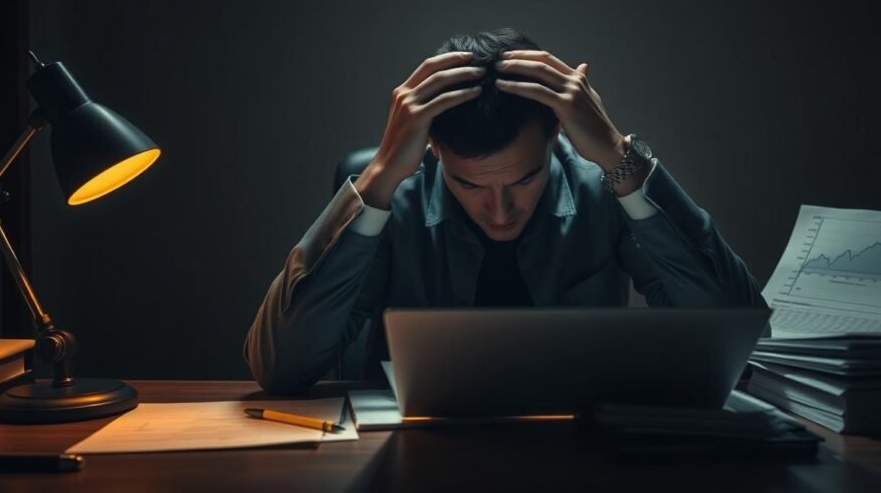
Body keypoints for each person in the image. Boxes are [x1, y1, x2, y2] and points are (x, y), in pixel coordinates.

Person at [245, 28, 768, 394]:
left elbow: (740, 333)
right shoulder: (393, 201)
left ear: (556, 136)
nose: (499, 212)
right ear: (433, 151)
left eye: (525, 178)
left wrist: (615, 152)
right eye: (468, 185)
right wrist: (381, 174)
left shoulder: (605, 191)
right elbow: (278, 368)